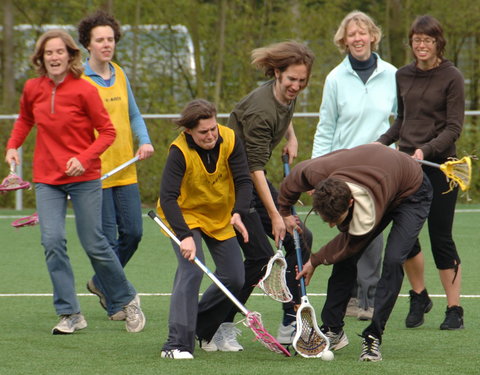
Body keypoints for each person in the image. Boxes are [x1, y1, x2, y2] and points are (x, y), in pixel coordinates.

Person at [4, 29, 145, 334]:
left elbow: (108, 132)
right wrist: (13, 146)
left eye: (59, 52)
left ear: (70, 55)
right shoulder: (32, 88)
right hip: (47, 179)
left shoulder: (84, 90)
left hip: (85, 178)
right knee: (52, 241)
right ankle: (70, 313)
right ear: (41, 58)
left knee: (95, 242)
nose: (54, 57)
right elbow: (25, 120)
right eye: (48, 53)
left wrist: (83, 158)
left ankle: (127, 298)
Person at [278, 143, 432, 361]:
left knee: (393, 259)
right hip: (381, 175)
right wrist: (284, 211)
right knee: (347, 259)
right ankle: (333, 328)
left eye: (336, 221)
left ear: (351, 203)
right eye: (327, 220)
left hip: (411, 192)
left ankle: (373, 336)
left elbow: (347, 244)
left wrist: (314, 260)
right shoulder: (317, 172)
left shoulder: (366, 214)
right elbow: (293, 178)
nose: (332, 226)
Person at [217, 41, 315, 349]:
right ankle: (219, 325)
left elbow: (285, 113)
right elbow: (255, 169)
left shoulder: (286, 94)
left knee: (300, 237)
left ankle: (291, 320)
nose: (296, 86)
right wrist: (276, 215)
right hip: (236, 183)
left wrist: (292, 136)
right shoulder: (261, 110)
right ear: (276, 73)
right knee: (260, 257)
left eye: (302, 81)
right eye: (291, 80)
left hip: (251, 176)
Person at [376, 15, 465, 330]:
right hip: (406, 168)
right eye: (417, 40)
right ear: (411, 42)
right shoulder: (402, 75)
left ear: (438, 42)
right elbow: (402, 120)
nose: (421, 45)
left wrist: (424, 151)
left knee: (440, 237)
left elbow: (454, 127)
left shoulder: (452, 76)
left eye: (427, 40)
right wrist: (381, 142)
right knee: (405, 234)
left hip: (440, 167)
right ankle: (419, 296)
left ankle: (454, 309)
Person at [311, 10, 397, 321]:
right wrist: (318, 167)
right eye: (351, 34)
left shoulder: (392, 74)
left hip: (381, 169)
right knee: (348, 230)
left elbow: (403, 120)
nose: (358, 38)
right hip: (344, 168)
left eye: (363, 33)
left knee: (373, 231)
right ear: (344, 41)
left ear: (373, 36)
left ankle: (368, 299)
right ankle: (347, 296)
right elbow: (326, 126)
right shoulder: (335, 78)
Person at [157, 99, 252, 359]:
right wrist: (184, 236)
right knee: (191, 270)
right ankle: (175, 344)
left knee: (235, 277)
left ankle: (198, 324)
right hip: (184, 215)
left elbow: (244, 180)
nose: (211, 135)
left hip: (219, 214)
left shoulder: (230, 139)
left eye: (213, 129)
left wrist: (239, 213)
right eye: (203, 132)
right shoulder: (178, 152)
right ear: (189, 131)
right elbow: (167, 197)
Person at [77, 11, 155, 320]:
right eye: (100, 40)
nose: (106, 45)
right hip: (96, 174)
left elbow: (134, 114)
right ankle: (115, 303)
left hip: (126, 169)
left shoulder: (119, 73)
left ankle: (100, 282)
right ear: (87, 44)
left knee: (134, 233)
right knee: (107, 241)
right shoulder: (80, 80)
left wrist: (144, 140)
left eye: (110, 39)